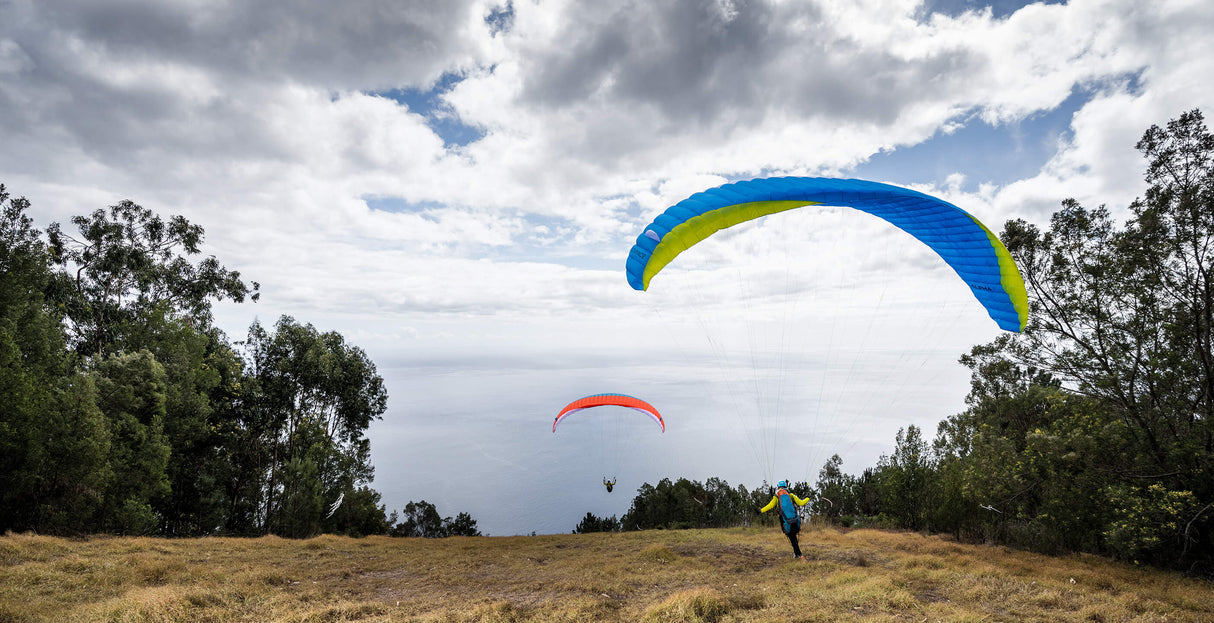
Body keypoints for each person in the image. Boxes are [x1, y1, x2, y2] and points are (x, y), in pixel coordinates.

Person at [759, 480, 810, 560]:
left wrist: (761, 510)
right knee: (793, 537)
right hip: (794, 519)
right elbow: (801, 503)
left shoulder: (776, 497)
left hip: (785, 520)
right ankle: (796, 553)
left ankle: (800, 554)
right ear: (786, 487)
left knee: (791, 537)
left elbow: (770, 506)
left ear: (778, 488)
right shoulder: (791, 495)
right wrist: (808, 498)